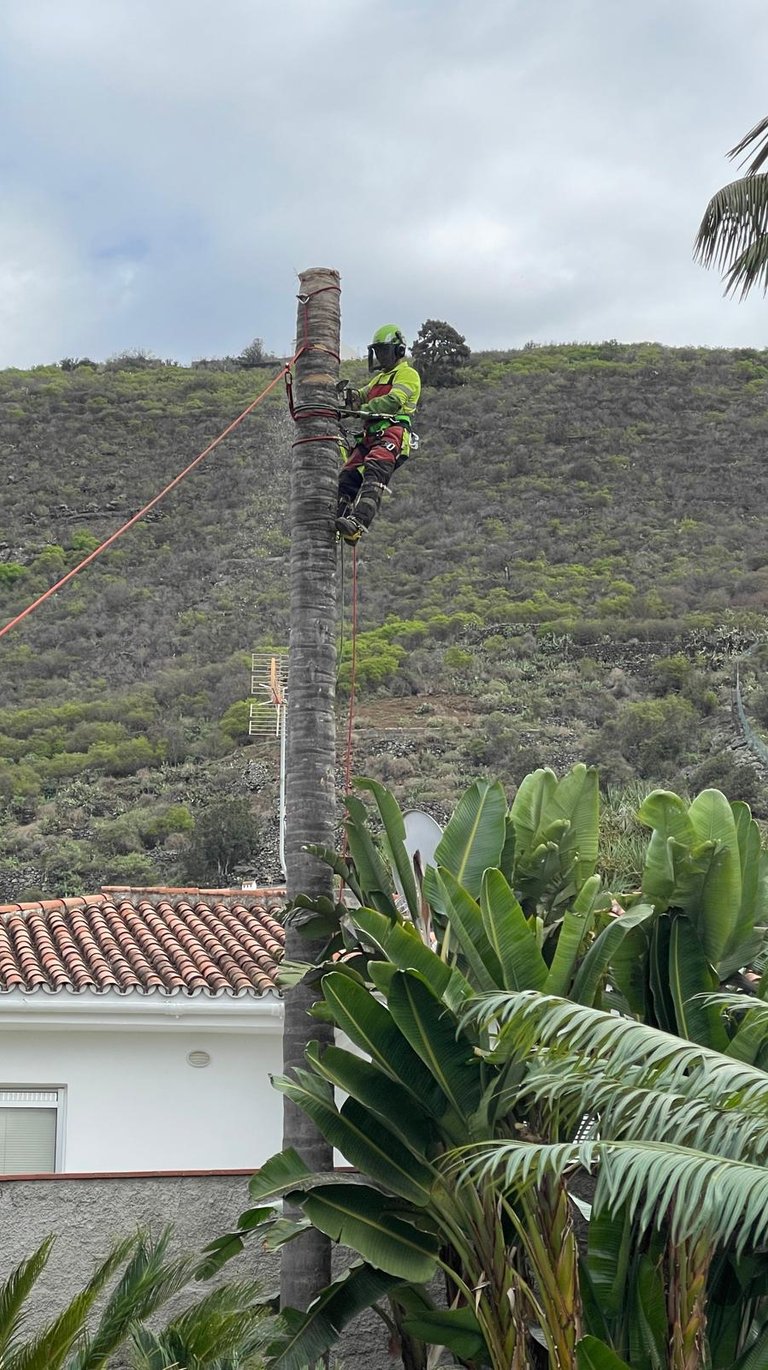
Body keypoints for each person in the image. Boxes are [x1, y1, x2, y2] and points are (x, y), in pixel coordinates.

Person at [335, 324, 421, 544]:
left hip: (392, 432)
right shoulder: (378, 379)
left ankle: (357, 524)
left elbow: (393, 401)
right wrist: (344, 403)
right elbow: (360, 397)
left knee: (374, 472)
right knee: (348, 476)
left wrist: (361, 410)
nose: (381, 356)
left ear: (398, 351)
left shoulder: (408, 375)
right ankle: (337, 517)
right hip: (370, 436)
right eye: (378, 351)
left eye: (384, 350)